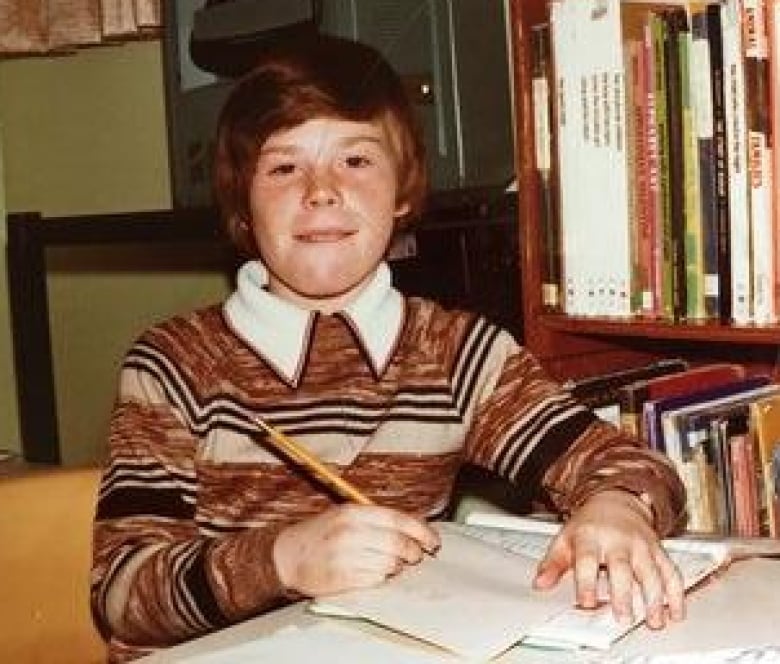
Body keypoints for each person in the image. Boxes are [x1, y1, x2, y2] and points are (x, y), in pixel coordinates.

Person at [90, 34, 687, 662]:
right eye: (284, 167)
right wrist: (281, 559)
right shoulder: (174, 362)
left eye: (356, 161)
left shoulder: (454, 350)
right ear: (243, 203)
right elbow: (121, 593)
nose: (320, 191)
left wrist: (618, 508)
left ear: (403, 191)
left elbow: (631, 466)